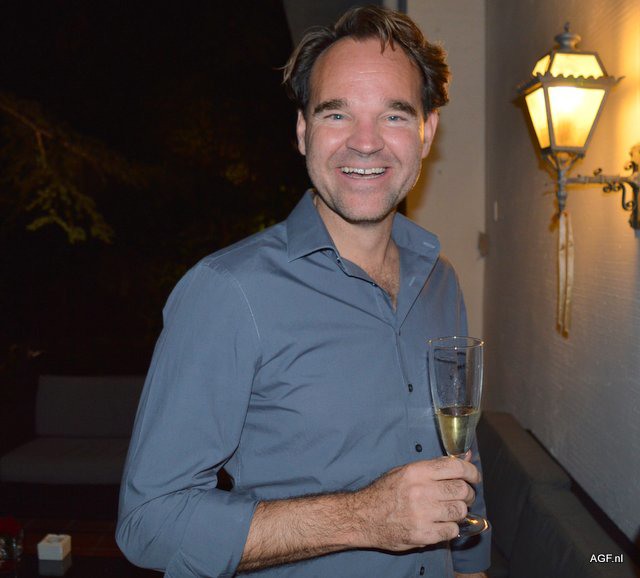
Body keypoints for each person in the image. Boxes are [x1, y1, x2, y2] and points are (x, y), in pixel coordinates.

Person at [116, 5, 490, 577]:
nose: (365, 143)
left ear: (427, 132)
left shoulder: (442, 280)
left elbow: (460, 449)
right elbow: (149, 525)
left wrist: (471, 565)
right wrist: (364, 518)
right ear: (302, 131)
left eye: (393, 115)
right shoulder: (228, 293)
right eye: (337, 114)